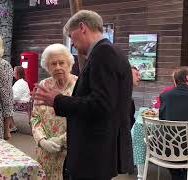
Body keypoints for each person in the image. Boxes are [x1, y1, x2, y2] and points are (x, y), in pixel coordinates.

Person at [33, 10, 133, 179]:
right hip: (98, 151)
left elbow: (101, 104)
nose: (72, 43)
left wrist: (57, 100)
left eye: (71, 37)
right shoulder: (109, 51)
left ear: (82, 27)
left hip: (93, 153)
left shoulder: (103, 53)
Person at [31, 43, 77, 180]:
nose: (58, 67)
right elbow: (35, 118)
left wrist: (61, 140)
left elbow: (83, 120)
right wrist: (42, 140)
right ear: (47, 67)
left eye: (61, 63)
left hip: (71, 153)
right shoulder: (44, 85)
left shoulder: (79, 86)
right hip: (45, 153)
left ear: (69, 64)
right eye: (53, 64)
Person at [159, 66, 188, 180]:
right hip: (187, 149)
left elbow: (162, 120)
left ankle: (178, 175)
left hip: (166, 149)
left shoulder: (165, 96)